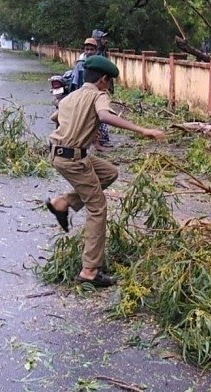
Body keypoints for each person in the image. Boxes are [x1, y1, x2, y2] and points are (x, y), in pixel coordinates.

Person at [45, 55, 165, 287]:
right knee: (97, 207)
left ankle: (63, 202)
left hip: (59, 154)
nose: (109, 87)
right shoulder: (99, 95)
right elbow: (104, 115)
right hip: (74, 160)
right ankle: (89, 271)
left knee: (109, 173)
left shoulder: (72, 96)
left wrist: (75, 129)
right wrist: (142, 130)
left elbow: (56, 117)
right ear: (103, 79)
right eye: (110, 83)